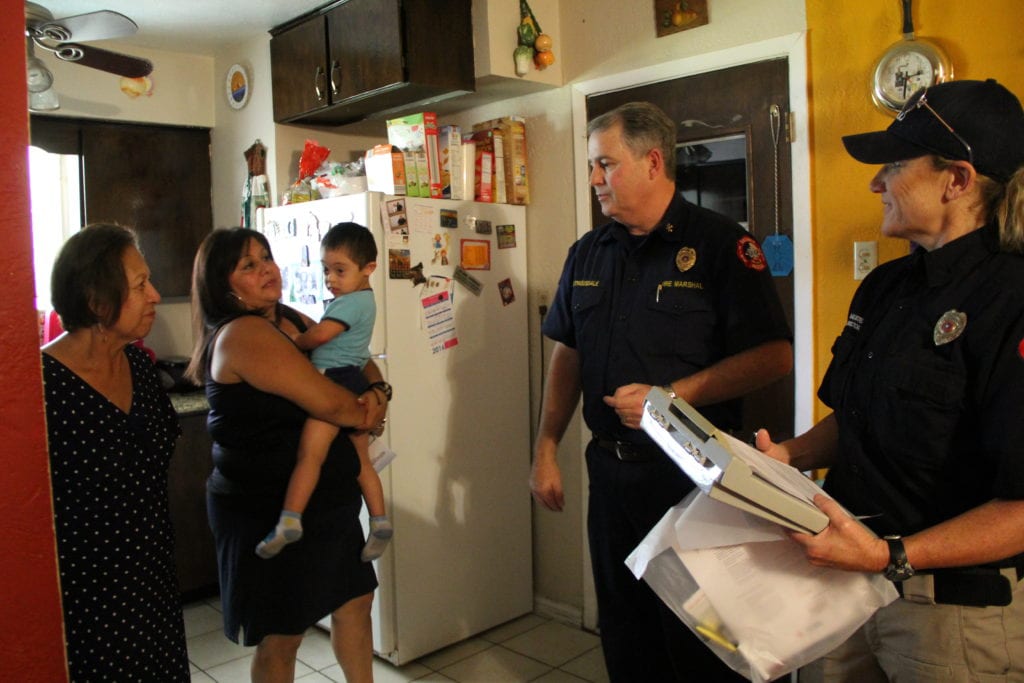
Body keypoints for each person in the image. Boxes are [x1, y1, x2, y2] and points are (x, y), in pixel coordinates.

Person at [756, 78, 1024, 681]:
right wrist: (787, 458)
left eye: (895, 165)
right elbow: (855, 420)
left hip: (951, 616)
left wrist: (890, 555)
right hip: (843, 584)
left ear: (956, 179)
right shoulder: (886, 287)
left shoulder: (1012, 297)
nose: (877, 182)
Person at [531, 101, 793, 681]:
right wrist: (547, 444)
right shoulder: (588, 253)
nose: (595, 179)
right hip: (612, 473)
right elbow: (567, 352)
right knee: (624, 628)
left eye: (606, 165)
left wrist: (671, 396)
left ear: (652, 162)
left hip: (690, 478)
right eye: (592, 167)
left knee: (700, 636)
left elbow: (775, 355)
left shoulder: (722, 245)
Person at [186, 227, 389, 683]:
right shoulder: (244, 334)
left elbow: (355, 355)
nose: (268, 270)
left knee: (355, 602)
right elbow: (332, 402)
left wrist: (377, 389)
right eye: (249, 265)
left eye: (267, 257)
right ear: (224, 286)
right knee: (283, 634)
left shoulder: (292, 320)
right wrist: (365, 409)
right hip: (269, 506)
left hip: (324, 500)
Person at [41, 223, 190, 680]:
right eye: (141, 285)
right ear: (96, 300)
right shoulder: (42, 387)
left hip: (153, 584)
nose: (155, 295)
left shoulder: (140, 370)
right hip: (87, 602)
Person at [256, 222, 393, 563]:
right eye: (326, 270)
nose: (330, 278)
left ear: (369, 269)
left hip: (334, 381)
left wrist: (294, 342)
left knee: (310, 454)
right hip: (351, 379)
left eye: (339, 270)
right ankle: (379, 520)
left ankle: (290, 519)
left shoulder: (349, 303)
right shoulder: (362, 300)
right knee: (361, 461)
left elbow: (318, 337)